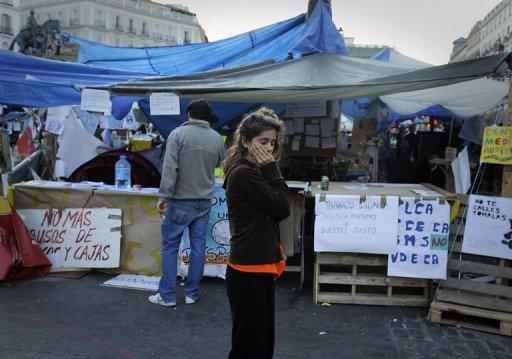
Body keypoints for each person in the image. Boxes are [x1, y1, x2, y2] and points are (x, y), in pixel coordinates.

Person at [222, 108, 290, 359]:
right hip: (249, 268)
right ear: (246, 141)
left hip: (256, 264)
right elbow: (282, 208)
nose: (269, 149)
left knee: (260, 342)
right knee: (249, 345)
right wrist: (272, 169)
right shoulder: (244, 172)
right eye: (263, 142)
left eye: (272, 143)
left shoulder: (250, 169)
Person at [149, 99, 225, 307]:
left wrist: (164, 196)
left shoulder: (178, 135)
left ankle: (167, 295)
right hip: (204, 201)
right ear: (208, 117)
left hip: (181, 201)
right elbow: (219, 164)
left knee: (170, 246)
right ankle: (192, 293)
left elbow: (170, 169)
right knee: (198, 246)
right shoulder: (217, 138)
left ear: (189, 113)